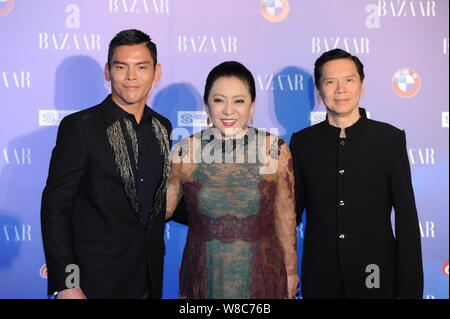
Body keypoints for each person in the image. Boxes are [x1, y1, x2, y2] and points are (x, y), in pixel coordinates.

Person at [41, 29, 183, 299]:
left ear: (157, 73)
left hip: (148, 280)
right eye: (121, 67)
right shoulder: (80, 128)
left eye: (141, 67)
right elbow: (55, 210)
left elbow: (156, 201)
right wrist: (68, 283)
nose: (131, 77)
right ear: (108, 72)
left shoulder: (162, 127)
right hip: (94, 282)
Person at [290, 48, 423, 299]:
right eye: (330, 82)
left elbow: (406, 220)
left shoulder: (389, 140)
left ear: (362, 86)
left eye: (349, 80)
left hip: (376, 273)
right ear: (319, 91)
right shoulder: (303, 143)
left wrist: (410, 289)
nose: (341, 89)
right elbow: (290, 214)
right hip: (320, 276)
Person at [165, 61, 299, 299]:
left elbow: (285, 216)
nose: (228, 110)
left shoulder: (274, 148)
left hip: (263, 278)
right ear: (207, 105)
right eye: (219, 100)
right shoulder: (186, 150)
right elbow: (161, 210)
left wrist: (290, 271)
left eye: (239, 100)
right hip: (203, 277)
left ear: (252, 106)